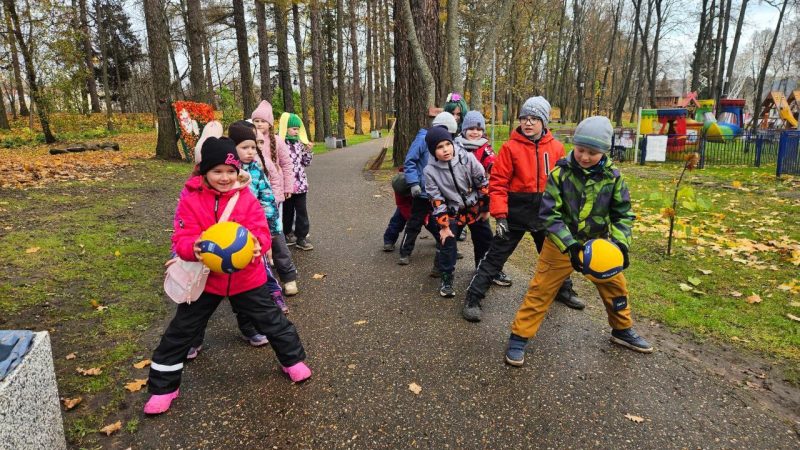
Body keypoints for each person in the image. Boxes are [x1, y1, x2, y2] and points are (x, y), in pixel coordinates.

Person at [144, 137, 310, 415]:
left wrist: (258, 245)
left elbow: (261, 231)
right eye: (217, 171)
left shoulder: (245, 197)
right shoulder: (191, 197)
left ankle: (292, 360)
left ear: (237, 171)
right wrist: (192, 248)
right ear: (203, 171)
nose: (224, 177)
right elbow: (182, 237)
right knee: (181, 331)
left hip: (248, 278)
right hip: (206, 280)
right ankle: (163, 387)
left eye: (230, 171)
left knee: (273, 321)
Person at [504, 116, 652, 367]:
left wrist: (621, 245)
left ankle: (621, 329)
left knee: (616, 287)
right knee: (541, 290)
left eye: (592, 153)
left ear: (604, 151)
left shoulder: (613, 178)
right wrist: (570, 245)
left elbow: (623, 214)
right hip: (560, 244)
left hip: (599, 245)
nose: (584, 157)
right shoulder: (560, 174)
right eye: (581, 149)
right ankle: (520, 336)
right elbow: (549, 214)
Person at [462, 96, 584, 323]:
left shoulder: (557, 148)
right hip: (515, 213)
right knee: (495, 257)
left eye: (534, 119)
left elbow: (564, 183)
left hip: (545, 213)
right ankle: (473, 297)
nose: (528, 123)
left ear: (544, 122)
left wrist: (566, 213)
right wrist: (500, 216)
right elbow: (497, 183)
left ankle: (564, 290)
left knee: (555, 255)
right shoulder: (510, 148)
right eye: (524, 118)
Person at [423, 126, 493, 297]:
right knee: (447, 243)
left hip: (474, 206)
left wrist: (485, 208)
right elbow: (436, 199)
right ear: (433, 151)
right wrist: (444, 226)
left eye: (447, 144)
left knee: (485, 239)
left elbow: (482, 183)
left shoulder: (467, 159)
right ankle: (446, 278)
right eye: (439, 147)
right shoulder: (430, 171)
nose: (445, 149)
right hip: (452, 211)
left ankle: (484, 271)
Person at [229, 120, 290, 315]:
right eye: (244, 147)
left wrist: (272, 230)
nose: (250, 152)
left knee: (260, 268)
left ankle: (273, 296)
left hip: (254, 229)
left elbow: (267, 199)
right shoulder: (226, 171)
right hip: (230, 231)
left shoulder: (256, 169)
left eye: (253, 147)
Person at [454, 110, 511, 286]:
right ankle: (442, 265)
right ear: (463, 129)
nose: (475, 132)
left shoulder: (485, 148)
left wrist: (494, 168)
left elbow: (493, 163)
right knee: (450, 234)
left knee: (484, 237)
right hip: (456, 202)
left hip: (478, 202)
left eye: (478, 129)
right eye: (470, 128)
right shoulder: (455, 146)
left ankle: (484, 268)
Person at [251, 101, 299, 296]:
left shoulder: (277, 141)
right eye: (256, 120)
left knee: (275, 233)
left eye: (263, 121)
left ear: (270, 123)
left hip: (274, 194)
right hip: (252, 198)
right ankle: (263, 277)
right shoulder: (249, 140)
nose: (259, 124)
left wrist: (288, 187)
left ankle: (288, 275)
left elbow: (286, 165)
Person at [397, 112, 456, 268]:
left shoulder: (448, 144)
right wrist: (414, 183)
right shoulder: (422, 139)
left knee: (443, 222)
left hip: (440, 192)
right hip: (422, 193)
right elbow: (410, 162)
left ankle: (448, 248)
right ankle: (405, 252)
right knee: (414, 223)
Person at [278, 112, 314, 251]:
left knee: (302, 211)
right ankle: (287, 233)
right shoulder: (280, 143)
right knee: (287, 211)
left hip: (300, 184)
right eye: (293, 128)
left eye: (298, 129)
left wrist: (308, 152)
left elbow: (305, 162)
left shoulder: (299, 143)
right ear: (285, 128)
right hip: (286, 185)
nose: (296, 131)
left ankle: (302, 237)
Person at [382, 168, 414, 252]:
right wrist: (409, 217)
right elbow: (402, 205)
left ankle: (441, 239)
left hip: (422, 199)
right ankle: (389, 241)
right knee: (397, 221)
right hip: (405, 205)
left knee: (432, 222)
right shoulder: (399, 187)